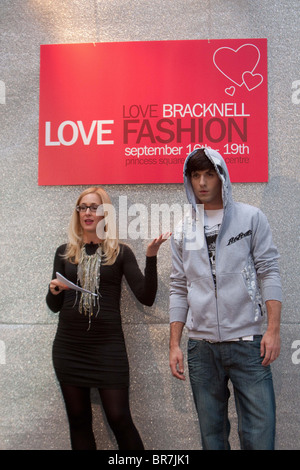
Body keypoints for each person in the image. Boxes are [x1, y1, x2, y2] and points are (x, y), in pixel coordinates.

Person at [169, 148, 282, 450]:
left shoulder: (250, 218)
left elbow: (269, 271)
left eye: (209, 174)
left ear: (221, 177)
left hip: (248, 345)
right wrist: (174, 344)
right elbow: (178, 287)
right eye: (195, 176)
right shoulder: (183, 231)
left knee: (260, 437)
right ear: (189, 180)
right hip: (202, 350)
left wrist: (272, 330)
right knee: (212, 439)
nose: (202, 182)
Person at [46, 186, 168, 450]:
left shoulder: (120, 252)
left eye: (94, 207)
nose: (88, 213)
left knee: (119, 418)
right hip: (69, 349)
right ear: (77, 213)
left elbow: (146, 296)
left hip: (107, 350)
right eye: (83, 207)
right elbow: (54, 306)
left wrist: (151, 257)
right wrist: (53, 290)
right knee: (78, 421)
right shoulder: (64, 252)